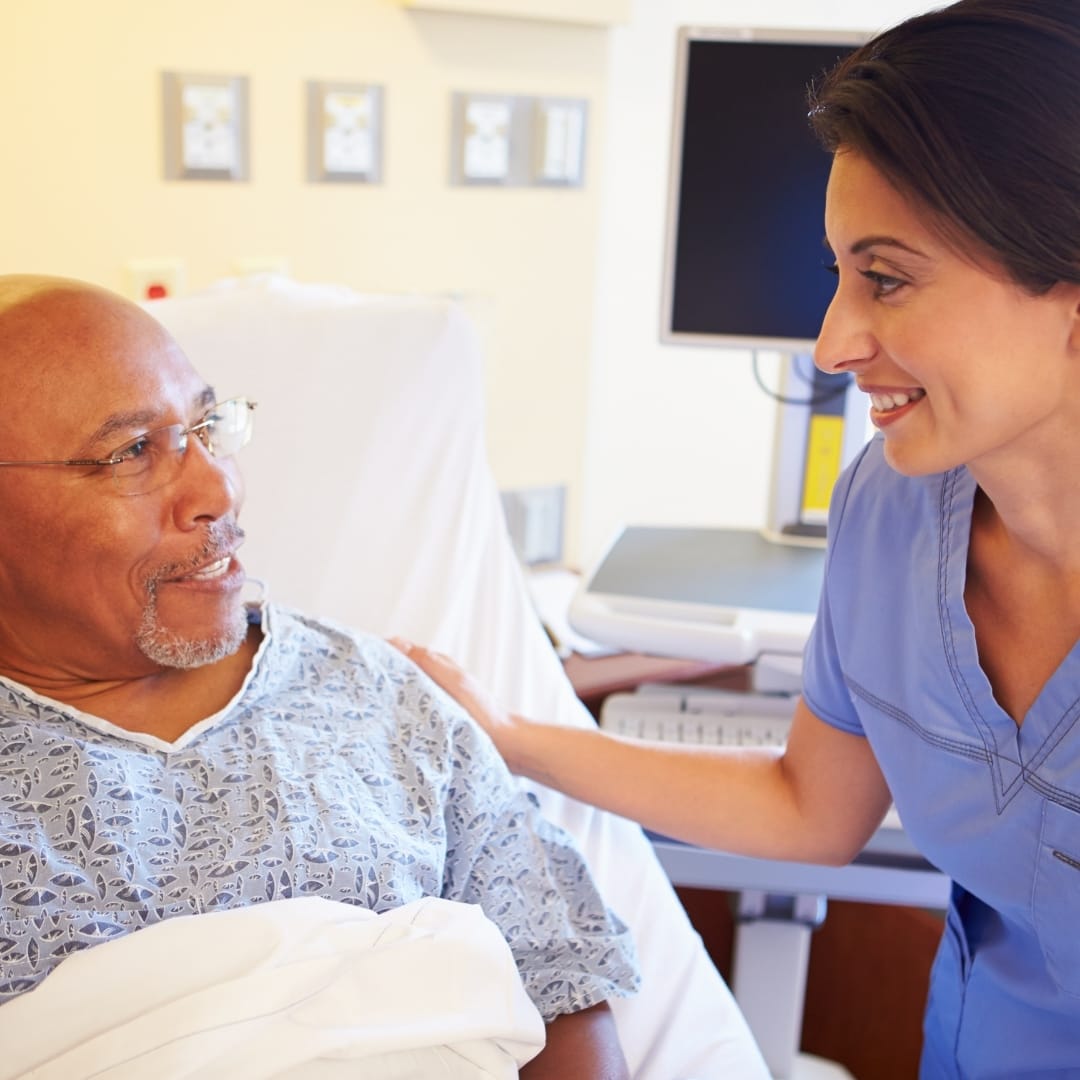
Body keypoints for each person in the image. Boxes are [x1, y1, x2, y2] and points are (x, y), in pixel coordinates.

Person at [394, 2, 1080, 1076]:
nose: (833, 343)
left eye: (887, 279)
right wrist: (513, 734)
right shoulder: (891, 511)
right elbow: (811, 808)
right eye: (838, 275)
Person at [0, 275, 638, 1078]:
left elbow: (559, 987)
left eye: (206, 427)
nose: (219, 489)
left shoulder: (382, 702)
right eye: (131, 452)